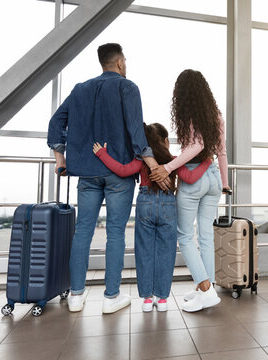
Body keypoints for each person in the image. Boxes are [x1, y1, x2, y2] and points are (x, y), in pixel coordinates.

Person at [47, 43, 167, 314]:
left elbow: (56, 122)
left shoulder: (80, 89)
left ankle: (76, 297)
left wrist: (60, 159)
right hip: (118, 173)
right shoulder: (128, 87)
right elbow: (137, 131)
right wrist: (152, 164)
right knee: (115, 233)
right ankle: (110, 297)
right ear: (120, 62)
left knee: (83, 232)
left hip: (87, 173)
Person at [93, 123, 211, 312]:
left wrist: (102, 154)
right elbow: (190, 177)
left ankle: (147, 299)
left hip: (145, 204)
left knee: (144, 252)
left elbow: (122, 170)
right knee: (166, 253)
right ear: (165, 141)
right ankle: (162, 299)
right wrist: (207, 162)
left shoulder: (142, 160)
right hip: (168, 206)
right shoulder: (172, 160)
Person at [150, 69, 230, 312]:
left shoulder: (189, 113)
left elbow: (196, 145)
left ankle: (205, 290)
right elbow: (221, 151)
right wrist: (225, 182)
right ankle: (206, 289)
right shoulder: (215, 115)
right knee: (205, 235)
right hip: (214, 177)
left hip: (195, 178)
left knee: (184, 235)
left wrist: (168, 167)